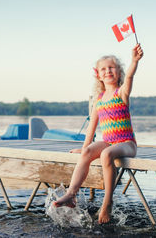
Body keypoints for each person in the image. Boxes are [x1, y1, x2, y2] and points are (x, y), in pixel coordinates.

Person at [53, 44, 144, 224]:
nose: (107, 71)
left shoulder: (122, 93)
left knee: (106, 154)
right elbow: (92, 128)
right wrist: (85, 148)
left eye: (111, 68)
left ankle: (107, 203)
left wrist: (134, 60)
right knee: (88, 153)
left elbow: (131, 76)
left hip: (126, 143)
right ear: (98, 74)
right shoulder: (99, 99)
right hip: (108, 140)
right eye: (103, 69)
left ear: (119, 72)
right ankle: (71, 194)